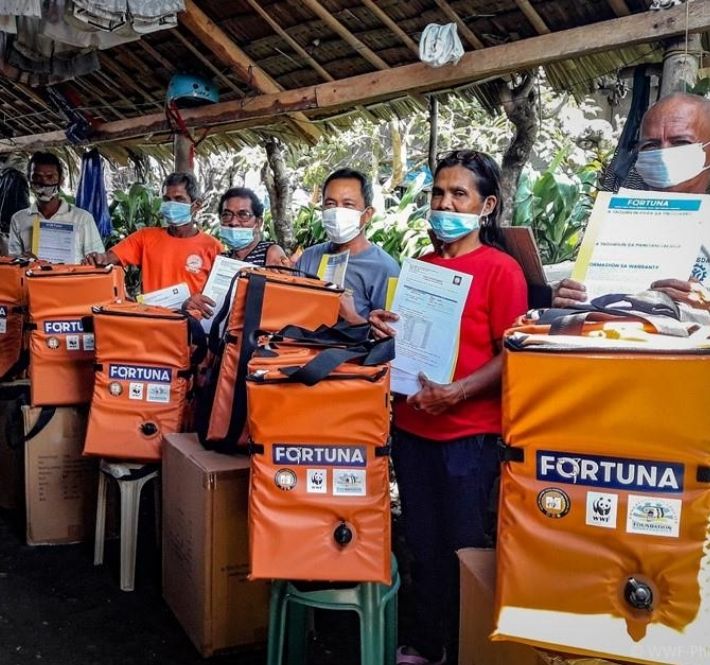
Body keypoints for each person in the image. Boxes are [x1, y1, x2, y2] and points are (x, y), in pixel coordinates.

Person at [369, 150, 528, 664]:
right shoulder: (424, 268)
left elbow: (512, 355)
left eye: (459, 193)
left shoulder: (502, 271)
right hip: (414, 426)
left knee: (464, 547)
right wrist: (385, 327)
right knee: (421, 540)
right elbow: (412, 345)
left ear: (487, 205)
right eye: (439, 192)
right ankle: (429, 643)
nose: (445, 202)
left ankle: (466, 647)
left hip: (469, 435)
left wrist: (458, 392)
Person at [554, 92, 710, 309]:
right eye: (651, 145)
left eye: (681, 142)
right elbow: (589, 298)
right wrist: (567, 297)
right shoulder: (613, 223)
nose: (664, 154)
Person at [85, 172, 222, 295]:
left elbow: (219, 294)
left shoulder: (213, 247)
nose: (171, 204)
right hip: (152, 319)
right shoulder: (145, 237)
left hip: (192, 322)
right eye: (167, 199)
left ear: (196, 205)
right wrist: (97, 259)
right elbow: (109, 258)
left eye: (179, 199)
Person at [296, 168, 400, 322]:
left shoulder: (386, 269)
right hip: (298, 344)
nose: (337, 212)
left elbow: (390, 337)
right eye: (330, 204)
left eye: (348, 205)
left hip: (351, 346)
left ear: (367, 214)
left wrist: (352, 318)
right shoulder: (309, 257)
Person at [183, 186, 287, 318]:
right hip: (219, 335)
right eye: (227, 215)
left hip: (253, 336)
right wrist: (191, 303)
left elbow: (280, 304)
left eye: (243, 215)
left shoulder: (271, 252)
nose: (233, 222)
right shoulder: (221, 259)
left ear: (258, 223)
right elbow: (207, 302)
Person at [9, 151, 104, 261]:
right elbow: (12, 262)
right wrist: (23, 260)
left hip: (72, 278)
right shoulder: (18, 219)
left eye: (50, 177)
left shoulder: (83, 218)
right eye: (37, 177)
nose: (44, 182)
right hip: (33, 277)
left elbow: (97, 261)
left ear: (61, 180)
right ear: (29, 180)